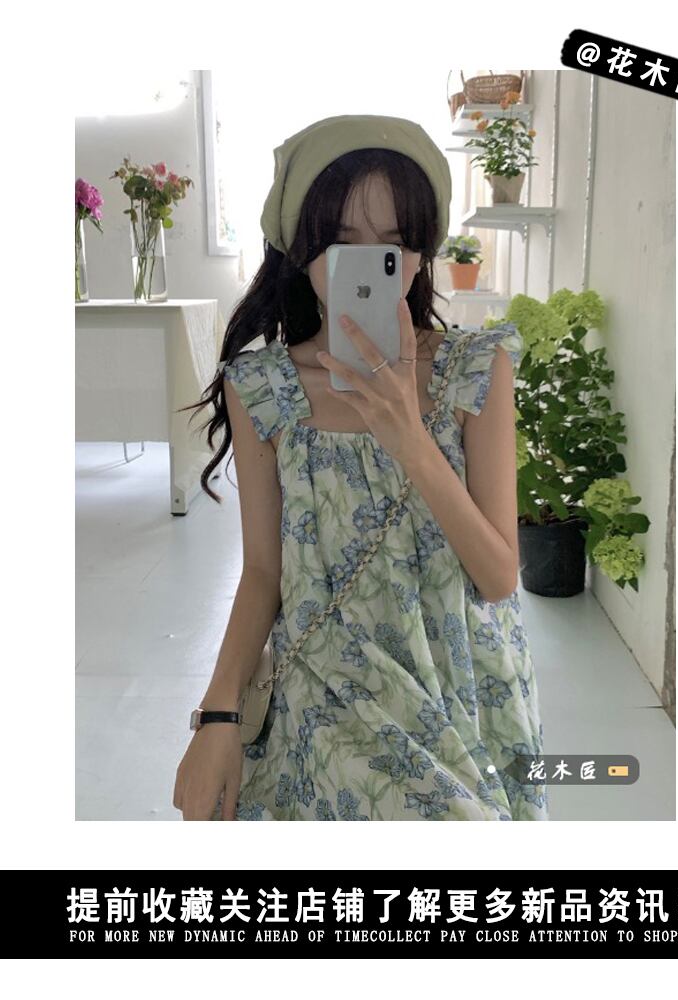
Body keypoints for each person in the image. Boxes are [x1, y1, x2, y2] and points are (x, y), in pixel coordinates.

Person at [173, 114, 549, 821]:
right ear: (300, 249)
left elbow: (500, 577)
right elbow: (263, 573)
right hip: (324, 686)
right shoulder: (264, 387)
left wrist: (408, 435)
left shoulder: (476, 371)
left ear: (421, 253)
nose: (371, 266)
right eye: (343, 244)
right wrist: (217, 719)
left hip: (456, 684)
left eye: (395, 245)